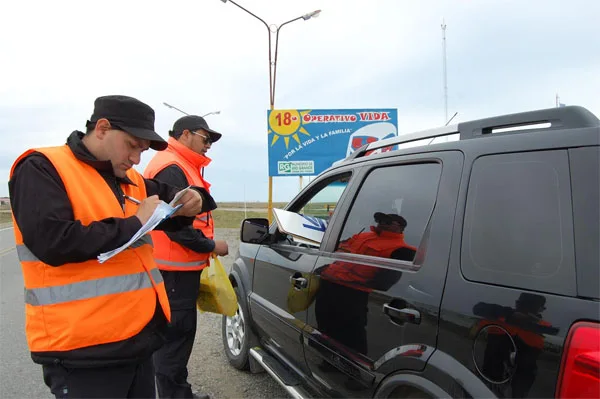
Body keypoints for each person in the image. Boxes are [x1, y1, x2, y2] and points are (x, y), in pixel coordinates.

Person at [8, 95, 216, 399]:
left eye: (142, 151)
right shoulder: (42, 167)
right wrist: (135, 223)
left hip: (138, 341)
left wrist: (196, 198)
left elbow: (175, 200)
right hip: (82, 352)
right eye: (132, 146)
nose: (136, 159)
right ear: (102, 128)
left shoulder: (130, 178)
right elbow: (51, 241)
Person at [144, 115, 229, 399]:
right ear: (184, 135)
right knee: (175, 340)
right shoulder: (172, 167)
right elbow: (176, 227)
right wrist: (211, 246)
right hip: (172, 270)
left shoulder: (180, 165)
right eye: (205, 139)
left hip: (174, 268)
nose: (208, 146)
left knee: (172, 340)